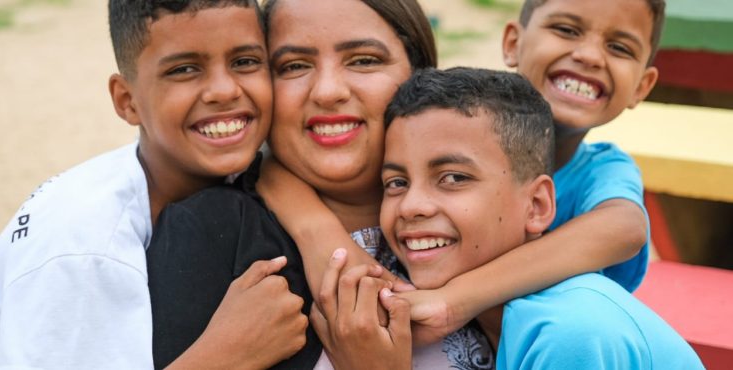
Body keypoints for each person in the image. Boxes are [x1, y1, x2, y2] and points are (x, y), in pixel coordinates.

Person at [259, 0, 665, 345]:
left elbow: (626, 228)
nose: (590, 56)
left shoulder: (603, 168)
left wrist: (456, 300)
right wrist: (318, 234)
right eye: (566, 29)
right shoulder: (453, 123)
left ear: (642, 87)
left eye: (619, 47)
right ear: (512, 43)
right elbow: (271, 168)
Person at [146, 0, 494, 368]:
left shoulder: (483, 207)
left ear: (420, 75)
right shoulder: (210, 231)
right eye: (294, 66)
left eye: (363, 60)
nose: (327, 92)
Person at [0, 1, 312, 369]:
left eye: (244, 61)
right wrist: (228, 354)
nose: (223, 90)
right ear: (127, 101)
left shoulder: (233, 163)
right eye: (184, 69)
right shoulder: (84, 250)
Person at [312, 67, 703, 370]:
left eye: (453, 178)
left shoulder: (570, 331)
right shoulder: (500, 320)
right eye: (396, 182)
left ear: (537, 206)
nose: (411, 205)